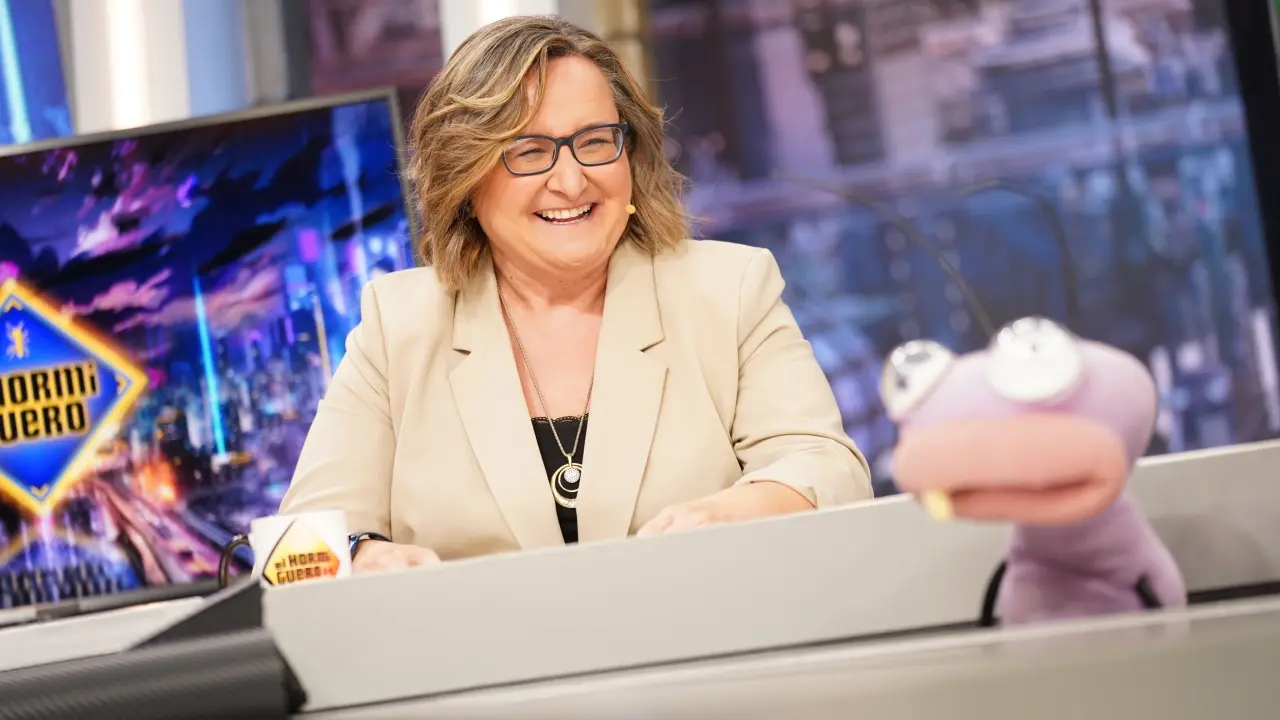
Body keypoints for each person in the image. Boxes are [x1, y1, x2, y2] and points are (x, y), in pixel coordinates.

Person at [279, 15, 872, 572]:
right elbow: (293, 547)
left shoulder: (729, 290)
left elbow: (830, 469)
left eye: (594, 142)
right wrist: (361, 555)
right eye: (529, 151)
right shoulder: (398, 327)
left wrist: (733, 513)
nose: (570, 180)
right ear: (465, 178)